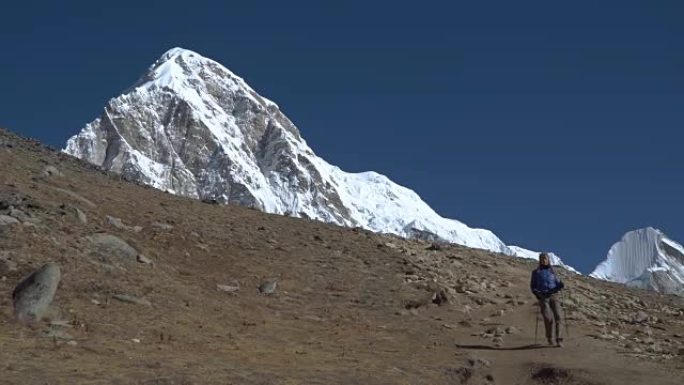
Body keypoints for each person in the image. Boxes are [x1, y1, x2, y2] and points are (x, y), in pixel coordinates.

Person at [530, 252, 565, 347]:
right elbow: (533, 286)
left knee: (558, 316)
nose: (544, 260)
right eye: (542, 259)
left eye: (545, 259)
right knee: (547, 318)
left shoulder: (553, 271)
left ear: (548, 260)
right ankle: (549, 337)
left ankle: (559, 339)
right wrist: (537, 293)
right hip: (543, 296)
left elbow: (558, 283)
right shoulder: (536, 272)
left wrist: (560, 285)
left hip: (554, 295)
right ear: (540, 260)